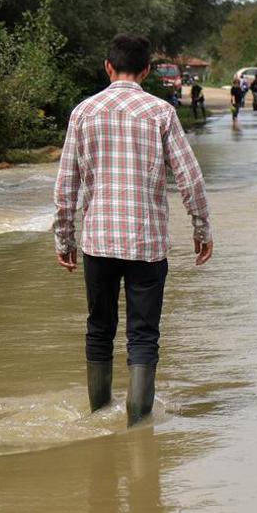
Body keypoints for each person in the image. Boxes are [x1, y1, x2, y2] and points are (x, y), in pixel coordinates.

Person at [53, 34, 214, 426]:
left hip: (98, 240)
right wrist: (201, 227)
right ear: (145, 70)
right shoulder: (160, 112)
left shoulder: (83, 112)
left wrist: (64, 237)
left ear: (108, 67)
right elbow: (189, 177)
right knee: (143, 335)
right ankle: (138, 425)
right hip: (146, 242)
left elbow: (66, 184)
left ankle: (99, 416)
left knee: (99, 329)